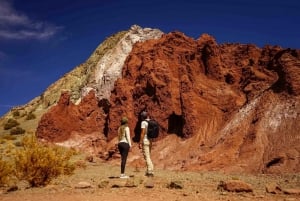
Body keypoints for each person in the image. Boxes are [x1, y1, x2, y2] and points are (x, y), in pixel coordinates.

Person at [139, 111, 154, 177]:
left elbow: (142, 132)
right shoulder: (151, 122)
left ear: (142, 117)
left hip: (145, 141)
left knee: (147, 157)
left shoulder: (143, 122)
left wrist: (140, 142)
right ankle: (148, 171)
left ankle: (150, 171)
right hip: (150, 141)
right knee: (148, 156)